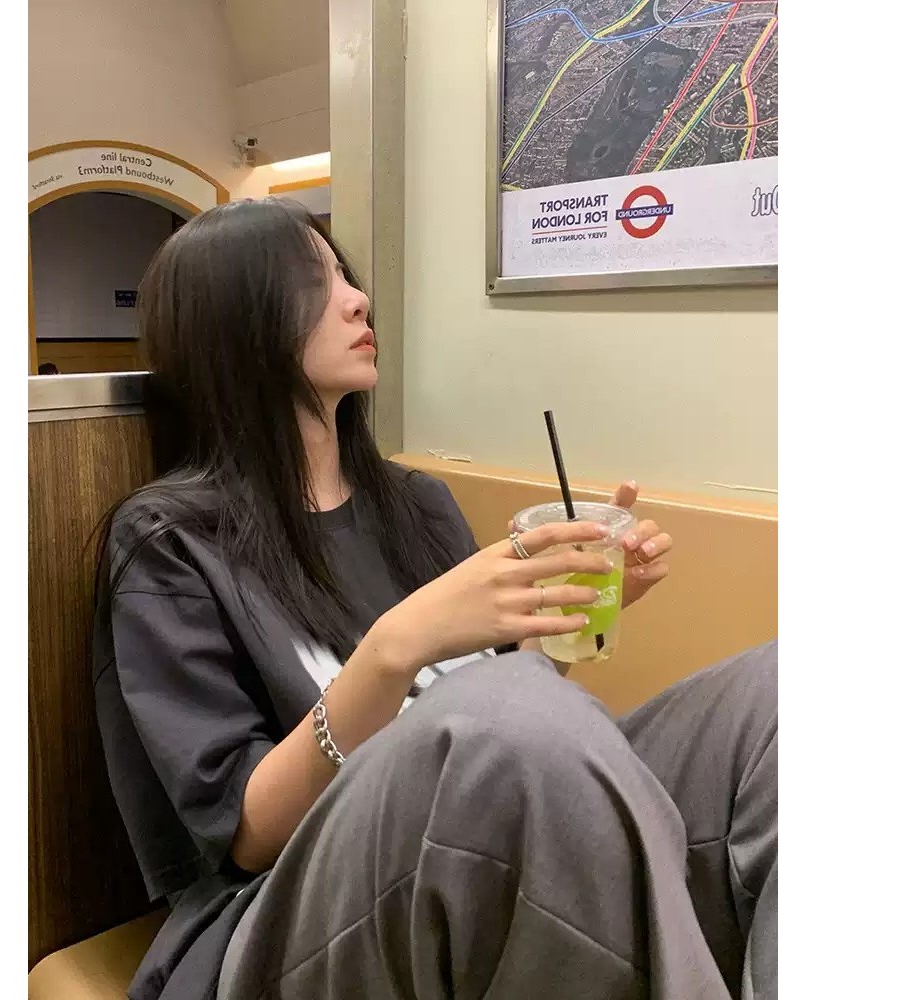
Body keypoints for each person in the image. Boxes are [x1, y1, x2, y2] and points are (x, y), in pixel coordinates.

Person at [92, 199, 776, 1000]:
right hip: (286, 911)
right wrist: (394, 649)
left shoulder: (415, 504)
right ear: (233, 320)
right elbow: (245, 835)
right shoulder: (170, 540)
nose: (357, 300)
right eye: (314, 283)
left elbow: (512, 721)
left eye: (346, 277)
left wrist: (562, 622)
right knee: (503, 719)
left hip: (471, 839)